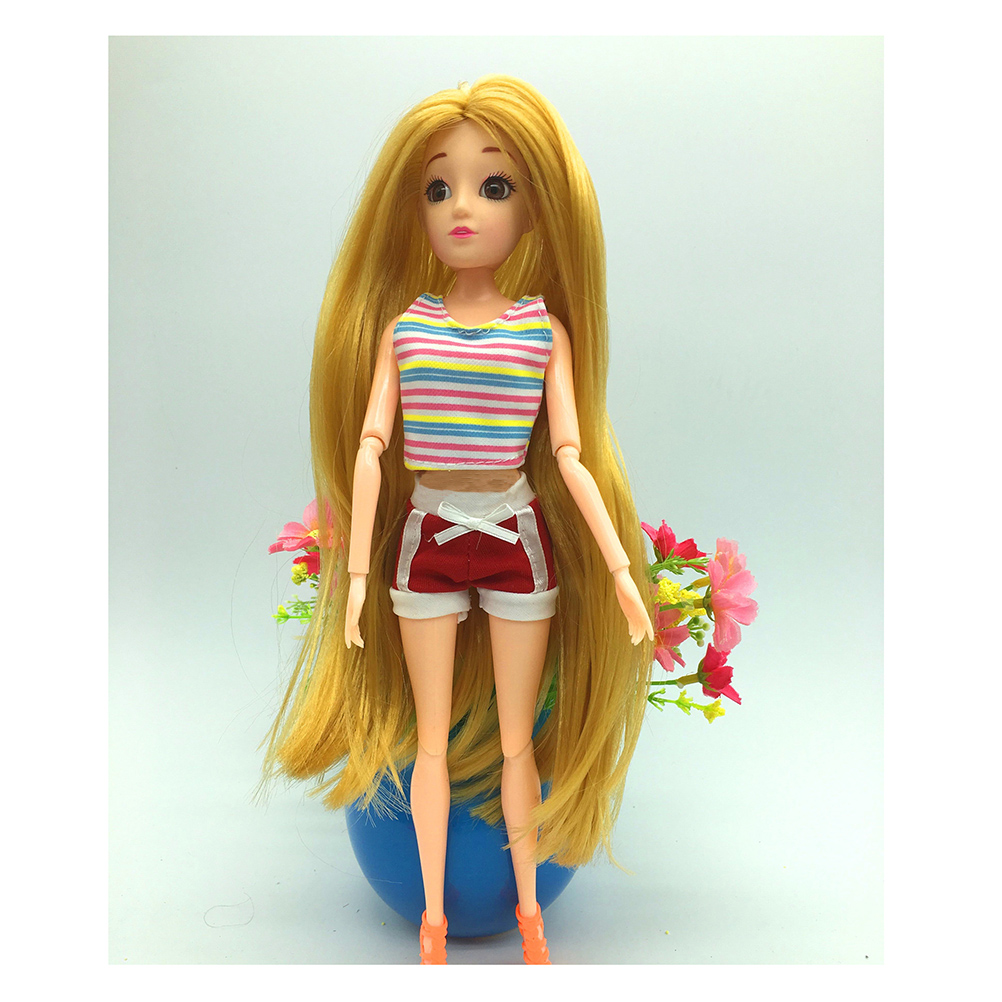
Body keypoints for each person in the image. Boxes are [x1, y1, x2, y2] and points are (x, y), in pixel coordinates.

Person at [263, 75, 655, 965]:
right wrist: (355, 581)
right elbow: (371, 450)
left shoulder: (543, 332)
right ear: (414, 209)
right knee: (432, 745)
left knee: (518, 744)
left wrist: (622, 574)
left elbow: (570, 457)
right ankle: (435, 919)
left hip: (517, 539)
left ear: (536, 208)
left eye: (494, 184)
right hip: (427, 539)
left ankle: (529, 912)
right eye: (439, 187)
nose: (464, 207)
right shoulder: (404, 330)